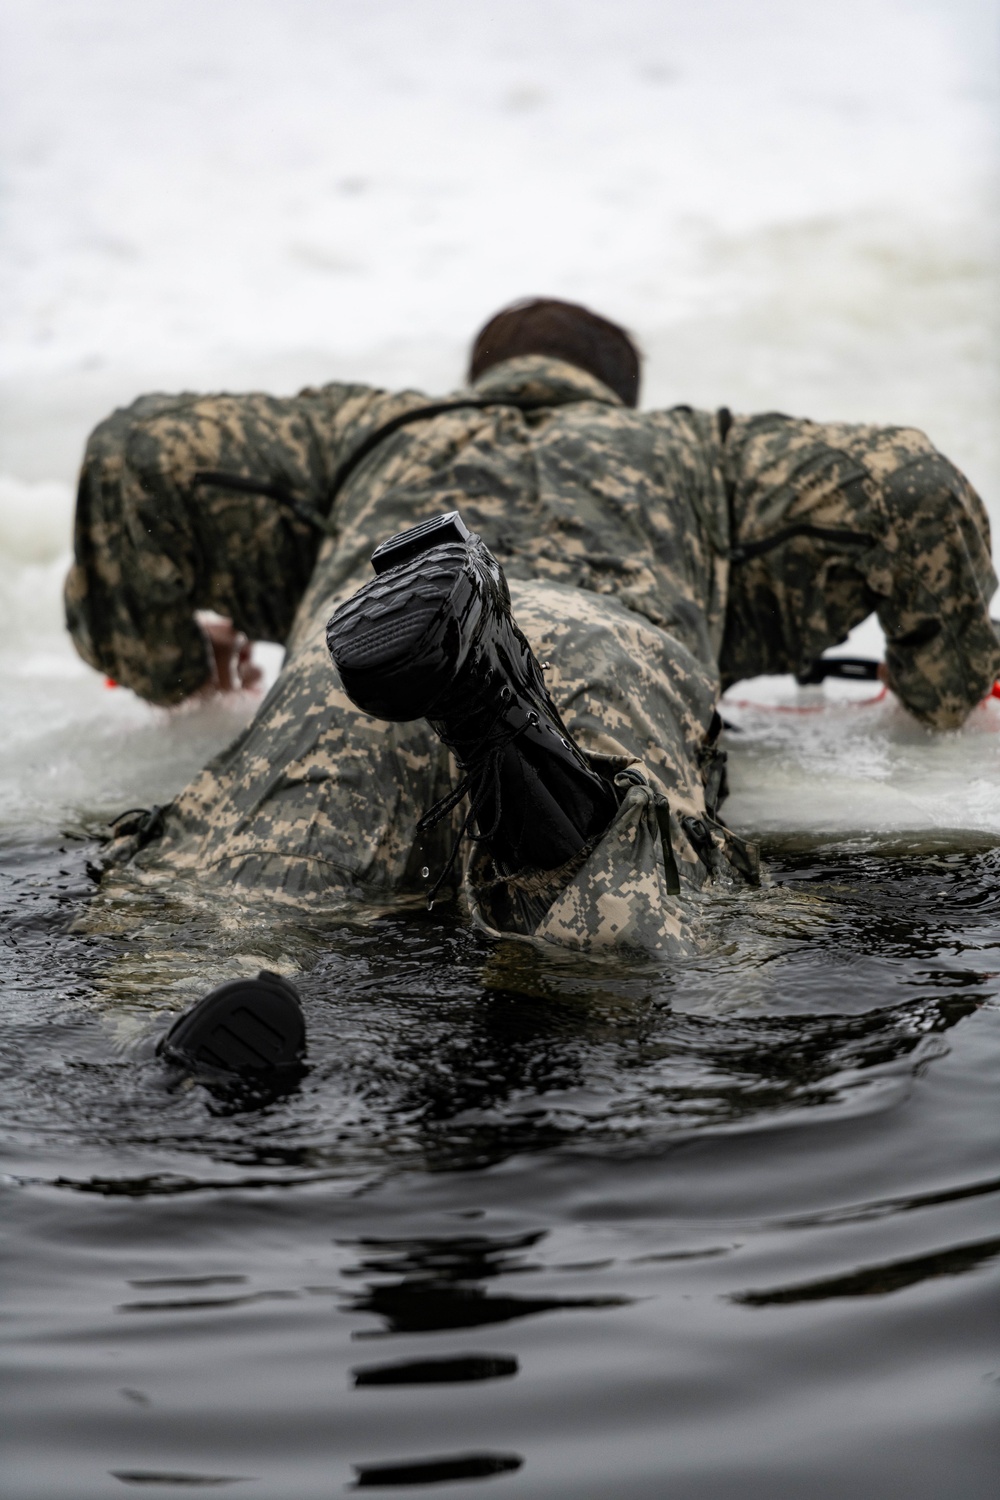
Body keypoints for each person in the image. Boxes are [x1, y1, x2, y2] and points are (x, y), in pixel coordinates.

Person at [65, 298, 1000, 1071]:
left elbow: (136, 447)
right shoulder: (697, 450)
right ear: (618, 392)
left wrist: (172, 668)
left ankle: (214, 1020)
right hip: (610, 654)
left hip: (361, 657)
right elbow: (909, 482)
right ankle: (520, 774)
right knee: (615, 959)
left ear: (479, 375)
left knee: (208, 929)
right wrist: (944, 681)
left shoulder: (375, 426)